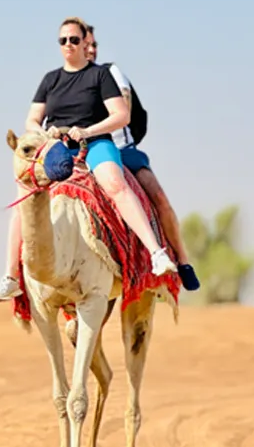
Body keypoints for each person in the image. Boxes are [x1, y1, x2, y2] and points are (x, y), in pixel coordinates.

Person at [0, 17, 177, 301]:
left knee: (116, 185)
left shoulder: (100, 76)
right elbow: (32, 118)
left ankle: (156, 253)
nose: (68, 45)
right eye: (63, 40)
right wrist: (43, 132)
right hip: (57, 148)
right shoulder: (50, 79)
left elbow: (121, 115)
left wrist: (88, 130)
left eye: (74, 40)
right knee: (26, 196)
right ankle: (11, 276)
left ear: (84, 42)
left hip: (95, 143)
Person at [85, 25, 199, 291]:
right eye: (84, 44)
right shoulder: (65, 83)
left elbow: (132, 112)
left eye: (94, 44)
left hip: (121, 150)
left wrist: (126, 141)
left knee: (158, 197)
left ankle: (181, 260)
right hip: (83, 152)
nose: (90, 49)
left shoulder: (110, 73)